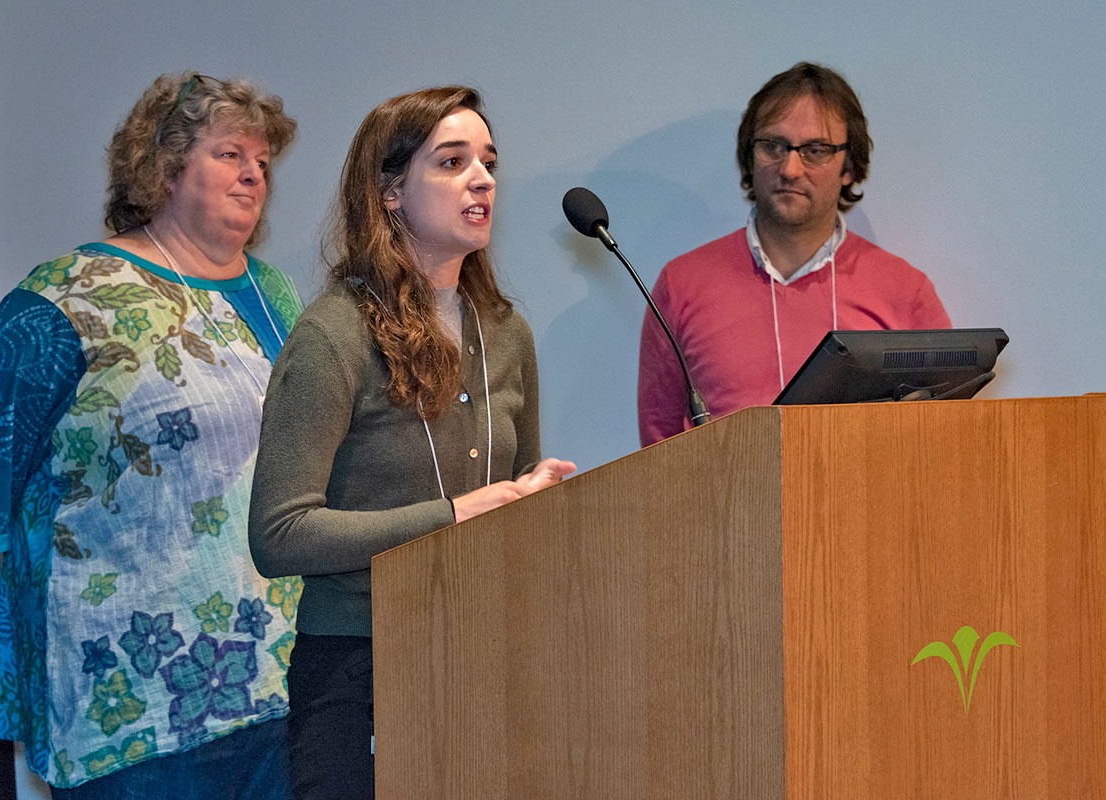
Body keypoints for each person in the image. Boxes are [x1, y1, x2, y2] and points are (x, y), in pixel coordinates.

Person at [0, 71, 303, 798]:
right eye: (230, 154)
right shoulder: (71, 292)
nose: (253, 174)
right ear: (164, 167)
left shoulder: (274, 291)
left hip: (276, 673)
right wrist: (0, 539)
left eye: (261, 161)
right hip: (134, 690)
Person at [248, 86, 576, 798]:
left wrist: (539, 500)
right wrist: (454, 517)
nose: (483, 179)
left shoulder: (506, 332)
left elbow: (511, 497)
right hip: (357, 665)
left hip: (485, 653)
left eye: (488, 162)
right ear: (391, 192)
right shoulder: (333, 336)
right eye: (452, 162)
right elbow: (279, 534)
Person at [637, 62, 951, 444]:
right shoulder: (682, 285)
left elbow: (941, 438)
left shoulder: (905, 292)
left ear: (849, 166)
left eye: (815, 150)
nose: (790, 168)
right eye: (773, 146)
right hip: (725, 504)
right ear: (750, 157)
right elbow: (658, 449)